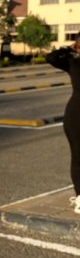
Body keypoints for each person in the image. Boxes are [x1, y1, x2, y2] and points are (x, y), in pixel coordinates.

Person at [46, 37, 80, 213]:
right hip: (77, 115)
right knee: (78, 158)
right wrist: (67, 49)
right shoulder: (72, 61)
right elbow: (50, 58)